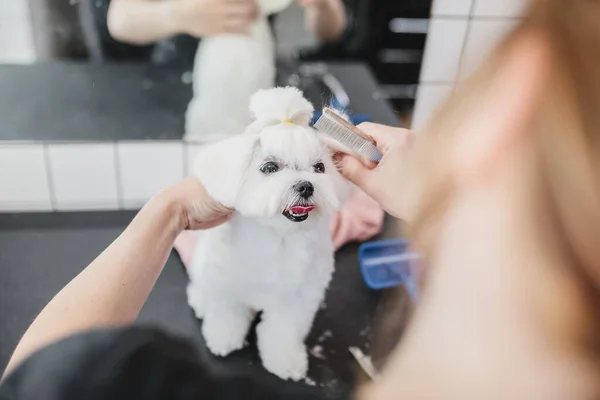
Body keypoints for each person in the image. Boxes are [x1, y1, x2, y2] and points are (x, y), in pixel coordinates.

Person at [3, 0, 600, 398]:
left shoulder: (128, 382)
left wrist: (168, 211)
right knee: (223, 299)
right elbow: (122, 18)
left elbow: (45, 373)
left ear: (509, 105)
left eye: (315, 169)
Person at [88, 0, 346, 64]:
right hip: (175, 69)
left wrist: (321, 6)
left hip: (256, 63)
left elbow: (331, 30)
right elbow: (120, 20)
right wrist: (182, 15)